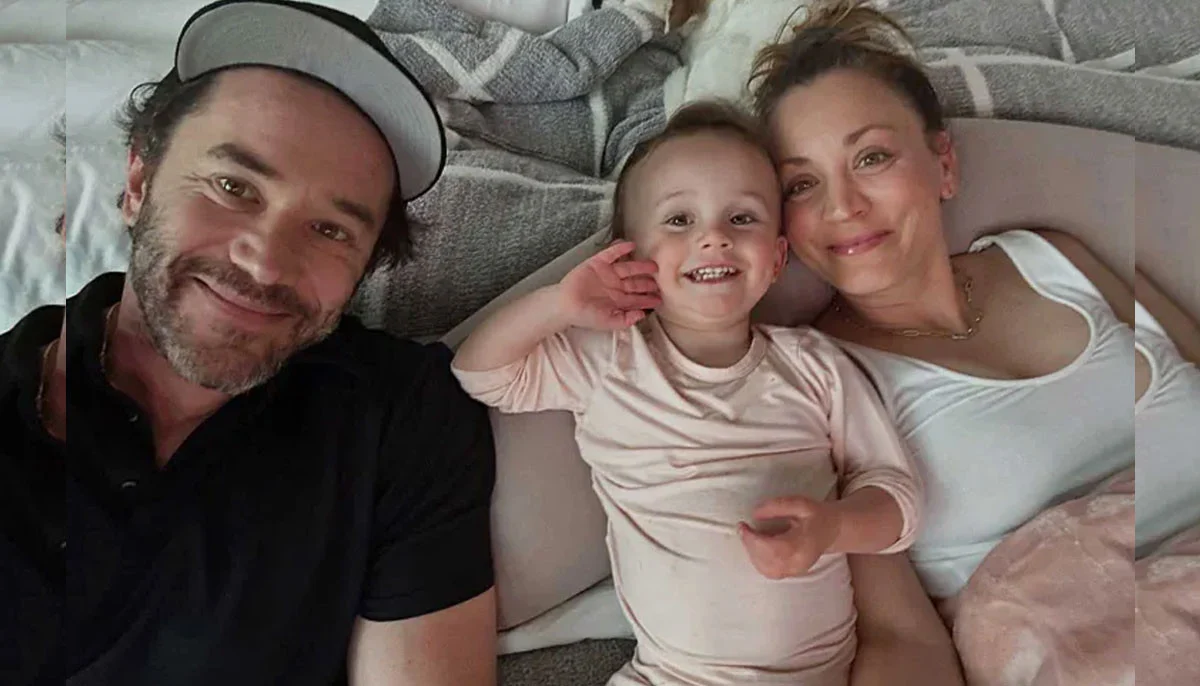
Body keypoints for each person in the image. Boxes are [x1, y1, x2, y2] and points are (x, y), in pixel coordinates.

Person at [0, 1, 498, 684]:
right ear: (139, 183)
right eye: (233, 186)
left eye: (330, 230)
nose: (265, 263)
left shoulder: (400, 419)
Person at [748, 0, 1200, 611]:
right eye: (802, 184)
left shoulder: (1054, 257)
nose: (843, 205)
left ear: (945, 164)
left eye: (871, 157)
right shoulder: (815, 381)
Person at [453, 101, 924, 685]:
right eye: (679, 220)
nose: (714, 238)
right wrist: (559, 304)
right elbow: (480, 373)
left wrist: (834, 528)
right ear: (628, 256)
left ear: (778, 258)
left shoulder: (814, 365)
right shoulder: (610, 360)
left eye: (743, 218)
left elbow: (897, 500)